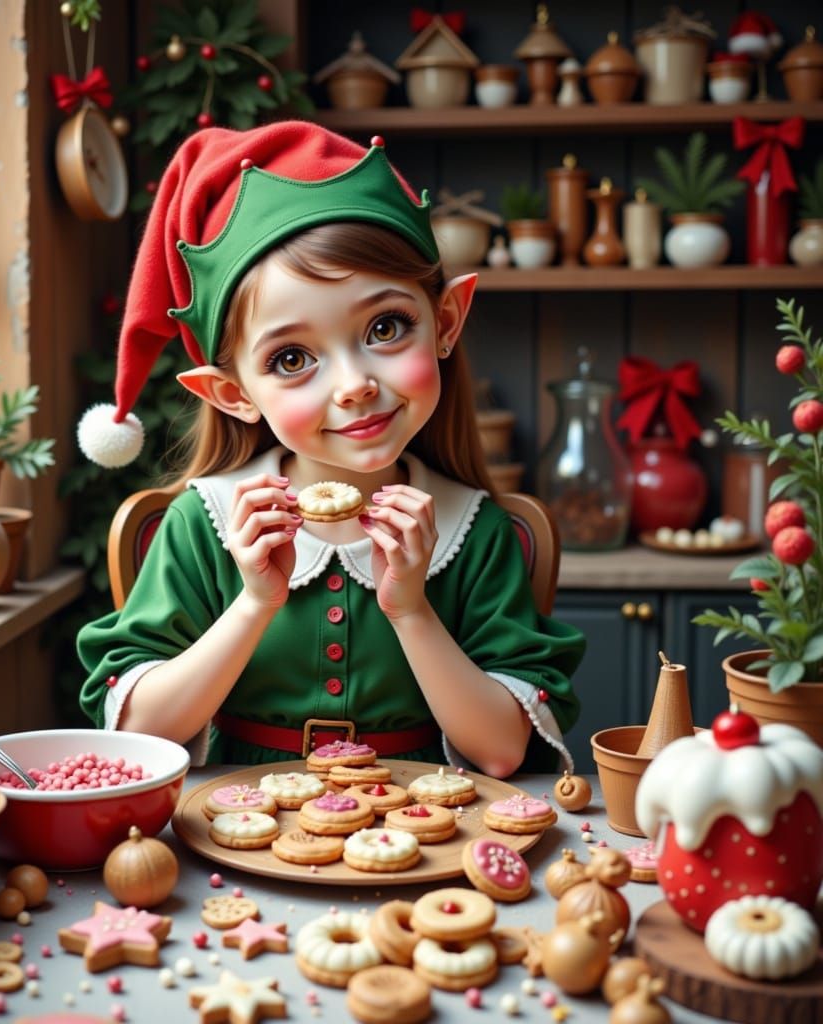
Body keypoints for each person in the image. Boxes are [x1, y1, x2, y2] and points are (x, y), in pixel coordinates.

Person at [76, 121, 584, 777]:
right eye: (292, 357)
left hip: (424, 830)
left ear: (447, 322)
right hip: (236, 832)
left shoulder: (474, 530)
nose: (354, 386)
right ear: (232, 394)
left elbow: (501, 749)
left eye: (386, 327)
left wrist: (411, 609)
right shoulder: (204, 524)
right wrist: (255, 602)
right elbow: (142, 732)